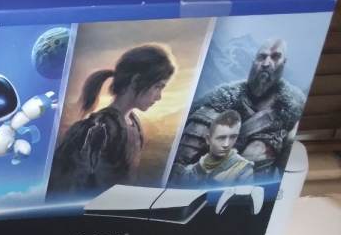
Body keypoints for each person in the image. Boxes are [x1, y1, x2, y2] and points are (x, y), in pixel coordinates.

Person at [47, 44, 175, 198]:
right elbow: (69, 185)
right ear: (136, 81)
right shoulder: (99, 128)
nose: (159, 96)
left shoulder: (134, 124)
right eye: (158, 87)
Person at [174, 39, 304, 179]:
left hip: (255, 186)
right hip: (201, 183)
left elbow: (286, 172)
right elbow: (179, 167)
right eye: (262, 57)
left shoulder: (293, 110)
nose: (266, 63)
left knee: (262, 148)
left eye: (275, 57)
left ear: (284, 63)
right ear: (253, 62)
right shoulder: (217, 103)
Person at [175, 110, 253, 186]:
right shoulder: (194, 168)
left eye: (233, 137)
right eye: (221, 138)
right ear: (208, 139)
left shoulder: (243, 169)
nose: (226, 144)